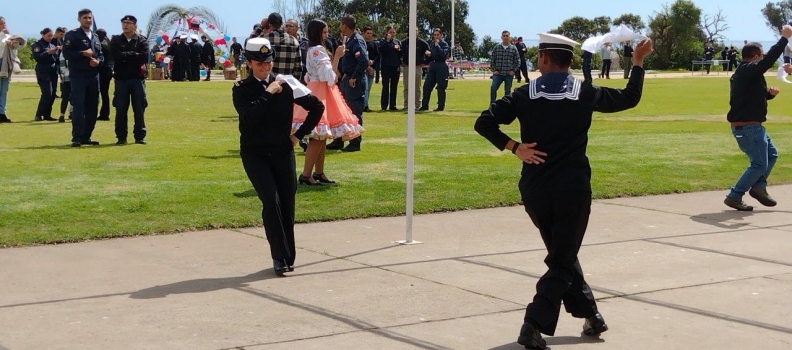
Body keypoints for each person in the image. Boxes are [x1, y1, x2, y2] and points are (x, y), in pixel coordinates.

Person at [474, 32, 653, 349]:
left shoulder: (523, 94)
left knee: (563, 255)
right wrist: (637, 62)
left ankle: (591, 315)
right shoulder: (585, 93)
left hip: (536, 188)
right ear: (569, 61)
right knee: (562, 260)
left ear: (543, 59)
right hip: (572, 188)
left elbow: (484, 122)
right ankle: (533, 325)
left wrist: (514, 147)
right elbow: (630, 98)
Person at [232, 37, 323, 275]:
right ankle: (278, 257)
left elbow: (317, 107)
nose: (265, 67)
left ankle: (288, 255)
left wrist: (298, 136)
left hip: (282, 152)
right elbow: (250, 118)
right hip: (255, 154)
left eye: (268, 61)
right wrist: (268, 94)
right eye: (260, 63)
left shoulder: (288, 83)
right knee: (271, 202)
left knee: (287, 203)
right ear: (249, 63)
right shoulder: (241, 89)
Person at [723, 25, 792, 211]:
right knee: (759, 163)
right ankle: (735, 195)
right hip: (748, 127)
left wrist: (769, 94)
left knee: (772, 154)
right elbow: (768, 61)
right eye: (761, 56)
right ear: (755, 57)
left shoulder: (746, 74)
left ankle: (759, 187)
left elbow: (750, 97)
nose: (763, 60)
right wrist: (784, 38)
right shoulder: (747, 70)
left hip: (752, 126)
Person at [294, 19, 364, 185]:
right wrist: (338, 57)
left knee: (321, 136)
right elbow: (329, 76)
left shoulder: (312, 49)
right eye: (324, 32)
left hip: (318, 90)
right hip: (321, 93)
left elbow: (312, 74)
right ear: (318, 33)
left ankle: (318, 172)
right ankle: (306, 174)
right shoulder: (318, 50)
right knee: (318, 136)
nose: (327, 35)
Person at [63, 8, 104, 147]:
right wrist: (82, 54)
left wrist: (98, 61)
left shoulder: (96, 37)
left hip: (93, 76)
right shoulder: (72, 35)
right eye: (85, 18)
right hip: (78, 76)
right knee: (79, 107)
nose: (88, 20)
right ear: (79, 19)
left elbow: (101, 55)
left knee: (93, 107)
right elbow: (67, 54)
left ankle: (87, 136)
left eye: (90, 18)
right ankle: (77, 137)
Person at [329, 15, 368, 153]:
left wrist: (354, 77)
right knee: (342, 110)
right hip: (346, 79)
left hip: (354, 81)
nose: (340, 26)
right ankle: (339, 139)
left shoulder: (357, 40)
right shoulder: (348, 39)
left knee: (354, 110)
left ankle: (355, 142)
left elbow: (363, 60)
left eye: (341, 24)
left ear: (345, 25)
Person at [110, 15, 149, 145]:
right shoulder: (116, 40)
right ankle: (121, 137)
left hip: (137, 79)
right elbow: (116, 56)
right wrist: (133, 54)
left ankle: (139, 136)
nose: (125, 25)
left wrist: (126, 55)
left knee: (139, 108)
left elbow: (144, 57)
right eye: (123, 22)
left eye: (129, 23)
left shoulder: (141, 40)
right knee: (121, 109)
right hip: (121, 79)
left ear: (134, 25)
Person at [263, 13, 302, 80]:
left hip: (268, 83)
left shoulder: (263, 39)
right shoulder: (294, 41)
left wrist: (261, 26)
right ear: (281, 23)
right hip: (287, 83)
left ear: (269, 24)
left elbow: (250, 43)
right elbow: (298, 67)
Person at [32, 28, 60, 122]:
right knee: (47, 93)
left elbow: (56, 59)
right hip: (43, 71)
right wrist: (47, 52)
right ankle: (38, 114)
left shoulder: (52, 45)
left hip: (53, 71)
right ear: (43, 35)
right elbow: (37, 58)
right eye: (48, 35)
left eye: (51, 36)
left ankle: (47, 114)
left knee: (52, 94)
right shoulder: (37, 45)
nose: (50, 37)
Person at [420, 28, 449, 112]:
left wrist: (437, 45)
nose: (436, 36)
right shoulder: (432, 44)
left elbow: (443, 55)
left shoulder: (444, 44)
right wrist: (428, 56)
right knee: (427, 87)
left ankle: (440, 106)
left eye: (437, 35)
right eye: (435, 35)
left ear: (441, 35)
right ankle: (424, 105)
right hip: (433, 66)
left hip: (441, 66)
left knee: (441, 87)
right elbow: (432, 56)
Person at [400, 28, 429, 110]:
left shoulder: (422, 43)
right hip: (407, 66)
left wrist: (425, 63)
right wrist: (401, 62)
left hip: (417, 67)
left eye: (415, 31)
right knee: (406, 87)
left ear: (417, 32)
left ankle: (417, 105)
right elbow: (398, 53)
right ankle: (406, 105)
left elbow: (429, 53)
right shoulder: (404, 42)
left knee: (417, 87)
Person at [489, 30, 520, 104]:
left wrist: (513, 71)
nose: (505, 37)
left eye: (507, 36)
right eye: (504, 36)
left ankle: (506, 108)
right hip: (498, 73)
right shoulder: (497, 48)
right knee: (493, 88)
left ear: (509, 37)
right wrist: (494, 70)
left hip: (508, 74)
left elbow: (518, 61)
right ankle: (492, 105)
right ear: (501, 37)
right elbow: (492, 59)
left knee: (507, 92)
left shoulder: (513, 48)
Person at [0, 16, 21, 123]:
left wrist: (12, 45)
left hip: (6, 63)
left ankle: (2, 113)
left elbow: (15, 50)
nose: (3, 25)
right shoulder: (3, 36)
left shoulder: (9, 36)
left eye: (4, 23)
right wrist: (2, 35)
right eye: (1, 24)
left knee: (4, 90)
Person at [377, 25, 401, 111]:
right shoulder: (382, 41)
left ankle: (393, 105)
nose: (392, 34)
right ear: (387, 32)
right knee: (385, 86)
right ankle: (384, 105)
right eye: (390, 32)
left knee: (394, 86)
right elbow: (381, 50)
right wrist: (387, 41)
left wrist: (399, 50)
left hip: (395, 66)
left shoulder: (397, 42)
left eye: (393, 32)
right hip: (386, 66)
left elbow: (401, 54)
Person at [95, 28, 114, 121]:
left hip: (101, 69)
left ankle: (95, 112)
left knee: (96, 92)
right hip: (109, 70)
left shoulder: (100, 44)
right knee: (104, 93)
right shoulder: (108, 43)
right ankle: (105, 113)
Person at [362, 26, 379, 113]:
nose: (369, 35)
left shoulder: (374, 44)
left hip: (372, 68)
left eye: (371, 33)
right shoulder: (361, 43)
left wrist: (373, 62)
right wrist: (367, 66)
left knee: (368, 88)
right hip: (363, 69)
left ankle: (366, 105)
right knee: (364, 88)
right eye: (367, 33)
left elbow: (377, 55)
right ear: (363, 33)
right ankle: (363, 106)